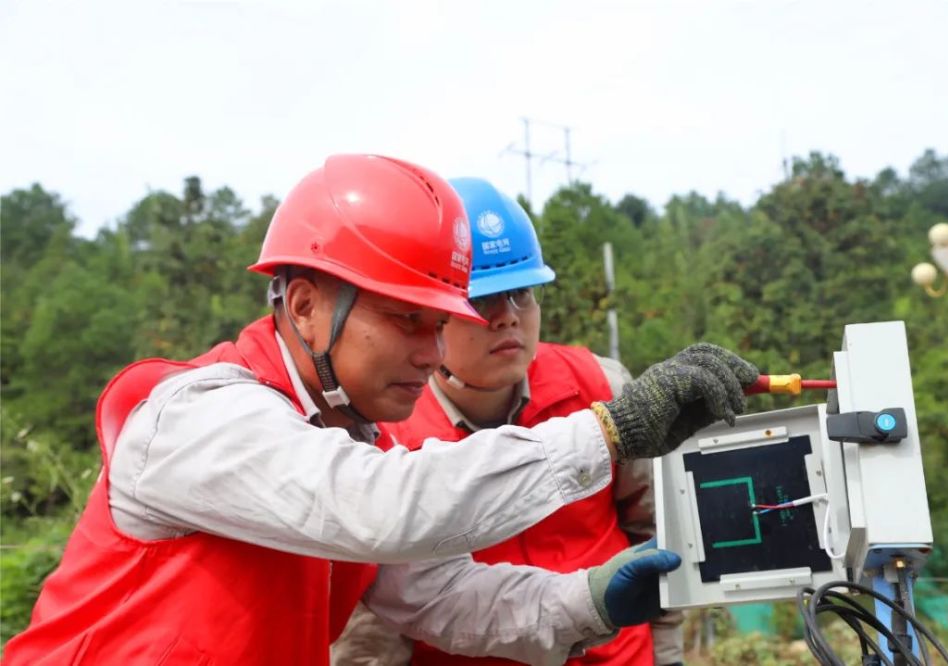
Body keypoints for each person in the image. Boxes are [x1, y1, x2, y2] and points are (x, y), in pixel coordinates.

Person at [3, 155, 758, 666]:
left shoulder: (349, 440)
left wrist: (586, 598)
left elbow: (443, 595)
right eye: (406, 320)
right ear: (304, 306)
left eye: (439, 325)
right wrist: (611, 431)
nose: (432, 354)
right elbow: (379, 509)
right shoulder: (200, 418)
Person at [330, 178, 685, 666]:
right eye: (481, 301)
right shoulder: (386, 439)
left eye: (522, 294)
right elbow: (374, 629)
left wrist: (667, 658)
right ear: (429, 314)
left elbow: (658, 535)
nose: (508, 317)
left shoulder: (599, 387)